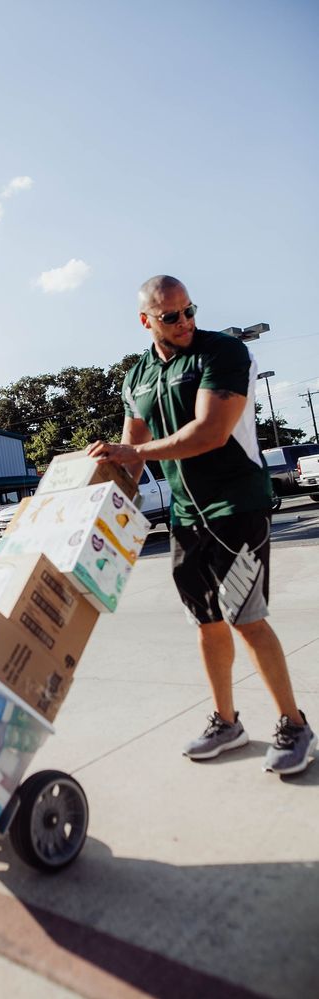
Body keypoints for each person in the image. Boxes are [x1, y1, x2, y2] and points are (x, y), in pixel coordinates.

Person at [87, 274, 316, 775]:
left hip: (237, 506)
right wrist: (94, 508)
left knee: (246, 619)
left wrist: (134, 451)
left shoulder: (223, 353)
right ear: (146, 321)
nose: (185, 321)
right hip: (185, 516)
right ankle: (227, 722)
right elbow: (131, 456)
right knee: (206, 623)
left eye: (190, 310)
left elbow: (210, 432)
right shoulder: (137, 377)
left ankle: (294, 724)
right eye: (171, 316)